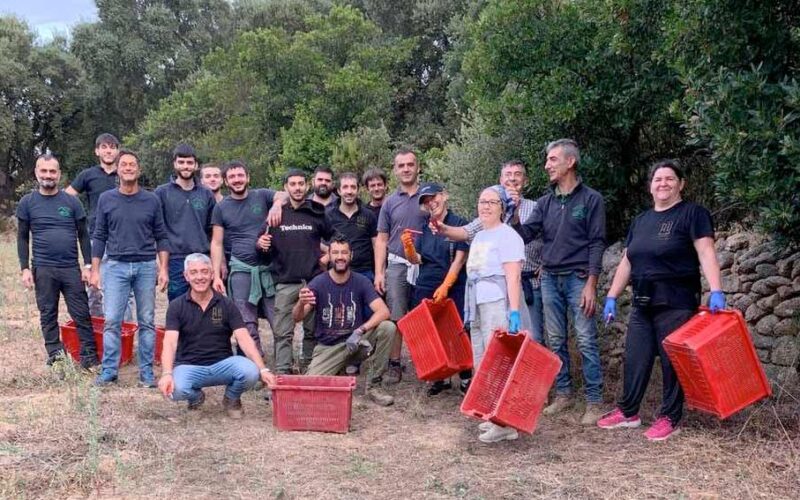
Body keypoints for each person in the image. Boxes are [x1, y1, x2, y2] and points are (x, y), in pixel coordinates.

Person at [598, 160, 725, 441]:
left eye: (670, 178)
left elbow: (705, 252)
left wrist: (716, 289)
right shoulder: (641, 221)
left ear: (681, 184)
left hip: (677, 300)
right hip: (643, 301)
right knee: (636, 357)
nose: (663, 183)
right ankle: (629, 412)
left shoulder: (693, 214)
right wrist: (611, 296)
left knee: (672, 361)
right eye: (658, 179)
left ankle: (670, 417)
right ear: (650, 186)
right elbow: (627, 261)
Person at [510, 139, 606, 425]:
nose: (547, 165)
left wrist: (591, 283)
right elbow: (524, 235)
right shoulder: (545, 202)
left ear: (570, 162)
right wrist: (514, 213)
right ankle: (563, 394)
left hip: (578, 279)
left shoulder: (591, 199)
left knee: (587, 339)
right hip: (549, 278)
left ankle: (594, 401)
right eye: (547, 160)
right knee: (555, 340)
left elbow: (597, 243)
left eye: (552, 160)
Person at [437, 160, 545, 343]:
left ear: (525, 181)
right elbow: (466, 232)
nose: (512, 179)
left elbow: (550, 237)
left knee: (531, 340)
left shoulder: (534, 208)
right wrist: (442, 228)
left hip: (529, 281)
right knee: (488, 346)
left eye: (517, 174)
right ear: (500, 180)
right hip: (486, 296)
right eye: (507, 175)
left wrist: (547, 263)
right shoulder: (483, 226)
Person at [158, 254, 276, 419]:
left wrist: (263, 369)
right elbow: (169, 343)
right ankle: (196, 398)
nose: (200, 277)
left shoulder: (226, 304)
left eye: (205, 272)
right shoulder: (176, 306)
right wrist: (166, 374)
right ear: (186, 276)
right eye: (194, 272)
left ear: (212, 274)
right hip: (189, 366)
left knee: (250, 371)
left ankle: (232, 398)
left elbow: (243, 338)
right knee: (174, 390)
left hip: (223, 364)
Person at [90, 150, 170, 387]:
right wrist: (95, 270)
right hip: (115, 266)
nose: (127, 168)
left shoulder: (152, 200)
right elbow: (99, 235)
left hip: (146, 266)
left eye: (132, 164)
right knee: (113, 320)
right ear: (117, 169)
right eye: (123, 164)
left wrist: (163, 269)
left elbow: (161, 236)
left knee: (146, 320)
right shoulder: (106, 199)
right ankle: (109, 371)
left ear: (139, 169)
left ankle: (145, 373)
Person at [292, 235, 396, 406]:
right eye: (336, 253)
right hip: (329, 347)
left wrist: (360, 330)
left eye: (344, 253)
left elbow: (383, 311)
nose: (340, 257)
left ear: (351, 255)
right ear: (329, 256)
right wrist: (300, 302)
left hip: (356, 342)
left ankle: (374, 385)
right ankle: (336, 371)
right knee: (309, 387)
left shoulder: (361, 281)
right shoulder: (318, 283)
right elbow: (297, 317)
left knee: (388, 327)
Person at [17, 154, 99, 369]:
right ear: (36, 173)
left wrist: (88, 266)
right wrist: (24, 268)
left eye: (52, 171)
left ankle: (89, 356)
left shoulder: (71, 201)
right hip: (43, 268)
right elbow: (23, 237)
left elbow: (83, 235)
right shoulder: (27, 202)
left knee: (81, 312)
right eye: (44, 171)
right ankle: (56, 355)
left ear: (59, 174)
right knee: (47, 312)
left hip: (70, 267)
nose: (48, 175)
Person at [465, 186, 525, 443]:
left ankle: (505, 423)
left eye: (492, 202)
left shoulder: (508, 236)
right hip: (477, 305)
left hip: (497, 303)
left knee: (499, 361)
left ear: (503, 207)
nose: (486, 206)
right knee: (482, 361)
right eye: (482, 201)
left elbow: (513, 277)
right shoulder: (479, 237)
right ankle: (493, 415)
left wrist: (514, 312)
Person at [258, 169, 331, 374]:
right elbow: (262, 246)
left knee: (312, 329)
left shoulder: (316, 211)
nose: (297, 188)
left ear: (307, 186)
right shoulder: (276, 214)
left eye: (301, 183)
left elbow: (335, 237)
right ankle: (283, 371)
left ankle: (309, 369)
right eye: (293, 184)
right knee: (283, 331)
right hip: (285, 281)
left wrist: (326, 258)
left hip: (314, 281)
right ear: (285, 187)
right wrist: (260, 243)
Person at [401, 183, 471, 395]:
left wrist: (446, 284)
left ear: (444, 195)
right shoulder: (424, 227)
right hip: (426, 282)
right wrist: (408, 248)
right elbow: (417, 260)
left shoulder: (460, 224)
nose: (431, 203)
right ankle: (439, 376)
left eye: (434, 197)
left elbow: (460, 260)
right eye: (426, 201)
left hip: (453, 283)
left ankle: (465, 375)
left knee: (457, 329)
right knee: (430, 331)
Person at [210, 161, 285, 358]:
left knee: (278, 319)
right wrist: (216, 275)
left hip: (267, 269)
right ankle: (256, 365)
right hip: (241, 270)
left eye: (240, 175)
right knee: (247, 322)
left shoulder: (261, 196)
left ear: (248, 177)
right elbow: (217, 243)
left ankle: (284, 363)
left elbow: (285, 194)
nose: (237, 180)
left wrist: (277, 205)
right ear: (226, 181)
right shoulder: (221, 208)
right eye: (232, 177)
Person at [374, 148, 427, 384]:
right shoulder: (389, 202)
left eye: (410, 164)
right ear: (395, 170)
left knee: (424, 316)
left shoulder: (429, 197)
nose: (406, 169)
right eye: (401, 165)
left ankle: (429, 366)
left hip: (425, 265)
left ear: (418, 167)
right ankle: (395, 364)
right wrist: (379, 272)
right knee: (397, 317)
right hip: (397, 266)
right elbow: (382, 239)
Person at [66, 133, 127, 318]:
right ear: (97, 151)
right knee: (95, 287)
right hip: (96, 237)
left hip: (124, 237)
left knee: (123, 288)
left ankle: (124, 330)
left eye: (112, 147)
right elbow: (66, 197)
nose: (108, 151)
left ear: (117, 151)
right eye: (104, 147)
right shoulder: (88, 175)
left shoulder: (126, 173)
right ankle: (96, 328)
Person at [155, 144, 216, 302]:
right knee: (178, 305)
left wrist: (217, 263)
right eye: (181, 162)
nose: (185, 166)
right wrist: (162, 266)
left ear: (196, 165)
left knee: (205, 305)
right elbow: (157, 231)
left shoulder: (206, 194)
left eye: (189, 163)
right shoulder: (161, 193)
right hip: (175, 260)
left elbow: (214, 232)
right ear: (175, 164)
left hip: (202, 257)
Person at [325, 172, 378, 282]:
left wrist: (378, 274)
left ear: (358, 190)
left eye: (353, 187)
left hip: (364, 273)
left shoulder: (369, 215)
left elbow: (376, 246)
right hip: (336, 273)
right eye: (345, 187)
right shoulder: (328, 215)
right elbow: (320, 243)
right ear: (339, 191)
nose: (349, 191)